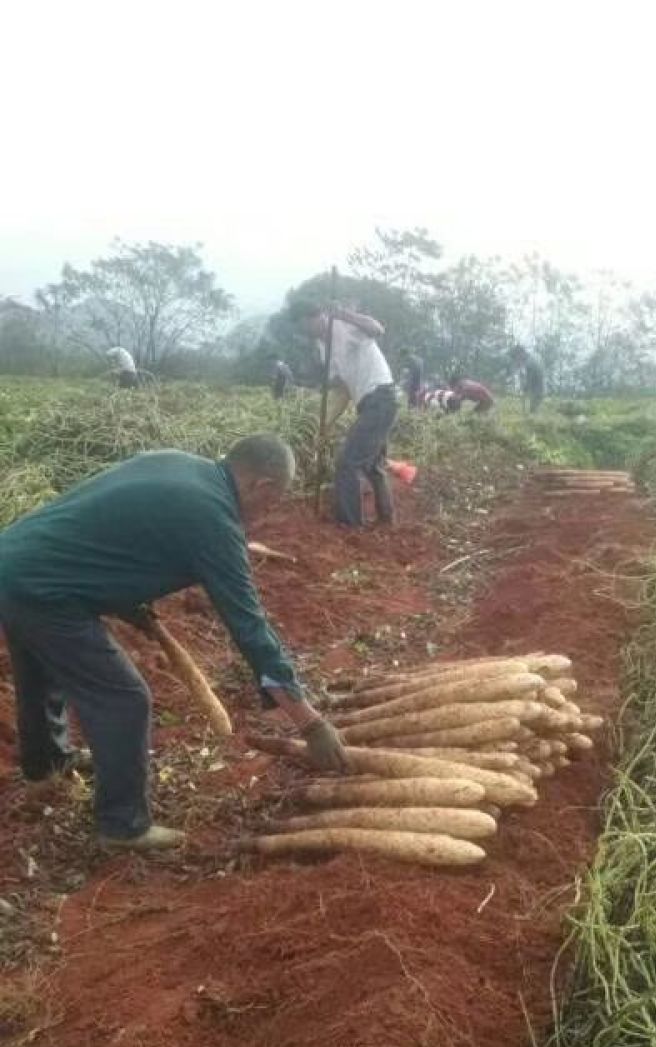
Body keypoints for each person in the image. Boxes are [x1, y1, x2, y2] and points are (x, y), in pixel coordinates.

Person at [0, 436, 347, 851]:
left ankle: (47, 766)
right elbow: (251, 629)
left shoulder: (181, 466)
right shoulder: (213, 518)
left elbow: (114, 529)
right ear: (263, 487)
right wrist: (311, 723)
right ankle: (122, 826)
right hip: (43, 589)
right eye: (272, 504)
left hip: (14, 562)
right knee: (125, 699)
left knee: (43, 669)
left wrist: (123, 596)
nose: (267, 514)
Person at [290, 298, 396, 527]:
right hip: (368, 404)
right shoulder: (321, 347)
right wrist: (324, 423)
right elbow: (343, 390)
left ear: (316, 317)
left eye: (304, 325)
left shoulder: (343, 325)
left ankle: (350, 525)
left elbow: (377, 329)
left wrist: (345, 315)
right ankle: (386, 519)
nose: (305, 332)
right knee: (373, 465)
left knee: (348, 462)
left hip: (380, 397)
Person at [510, 344, 545, 411]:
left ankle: (532, 416)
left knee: (533, 409)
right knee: (533, 408)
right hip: (537, 388)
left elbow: (529, 380)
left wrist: (524, 389)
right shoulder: (531, 358)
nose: (516, 359)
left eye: (516, 357)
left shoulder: (530, 363)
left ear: (521, 354)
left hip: (537, 389)